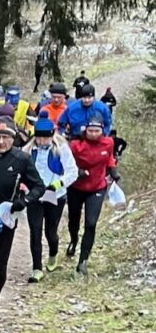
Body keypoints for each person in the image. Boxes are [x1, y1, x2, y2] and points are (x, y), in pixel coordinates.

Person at [0, 118, 45, 318]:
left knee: (0, 264)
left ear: (13, 139)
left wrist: (25, 201)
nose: (1, 142)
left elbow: (39, 186)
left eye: (6, 137)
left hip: (6, 217)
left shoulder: (22, 159)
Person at [25, 117, 78, 281]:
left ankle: (53, 254)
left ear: (52, 135)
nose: (42, 141)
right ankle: (36, 268)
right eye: (39, 138)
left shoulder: (62, 149)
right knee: (35, 231)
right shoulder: (28, 150)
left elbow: (73, 172)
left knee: (50, 231)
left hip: (55, 194)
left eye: (45, 138)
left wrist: (59, 183)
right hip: (35, 195)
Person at [67, 117, 118, 273]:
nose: (94, 134)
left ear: (102, 131)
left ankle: (83, 260)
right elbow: (66, 163)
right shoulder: (76, 145)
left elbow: (109, 158)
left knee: (91, 223)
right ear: (85, 130)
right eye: (91, 131)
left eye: (97, 131)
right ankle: (73, 240)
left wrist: (113, 171)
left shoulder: (108, 143)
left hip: (97, 187)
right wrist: (77, 172)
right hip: (76, 187)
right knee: (74, 219)